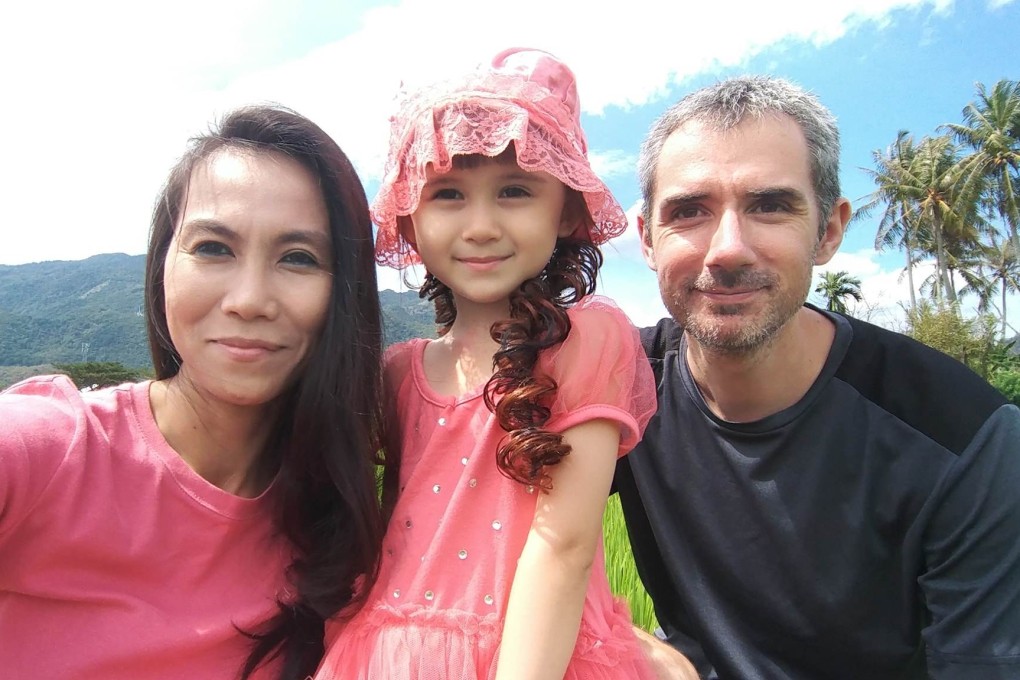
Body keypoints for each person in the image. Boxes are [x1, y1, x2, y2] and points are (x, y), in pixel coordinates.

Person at [615, 75, 1020, 679]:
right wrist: (626, 646)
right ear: (647, 238)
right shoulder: (619, 388)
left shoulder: (963, 439)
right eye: (690, 211)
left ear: (829, 230)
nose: (727, 249)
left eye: (770, 206)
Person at [313, 47, 679, 680]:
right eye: (448, 194)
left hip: (535, 656)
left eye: (514, 191)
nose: (480, 226)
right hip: (390, 654)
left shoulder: (584, 339)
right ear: (410, 214)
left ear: (565, 210)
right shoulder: (399, 372)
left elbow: (563, 545)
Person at [0, 105, 391, 679]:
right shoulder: (44, 451)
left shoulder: (338, 526)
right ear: (163, 266)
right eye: (213, 248)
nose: (249, 299)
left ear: (345, 294)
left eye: (299, 258)